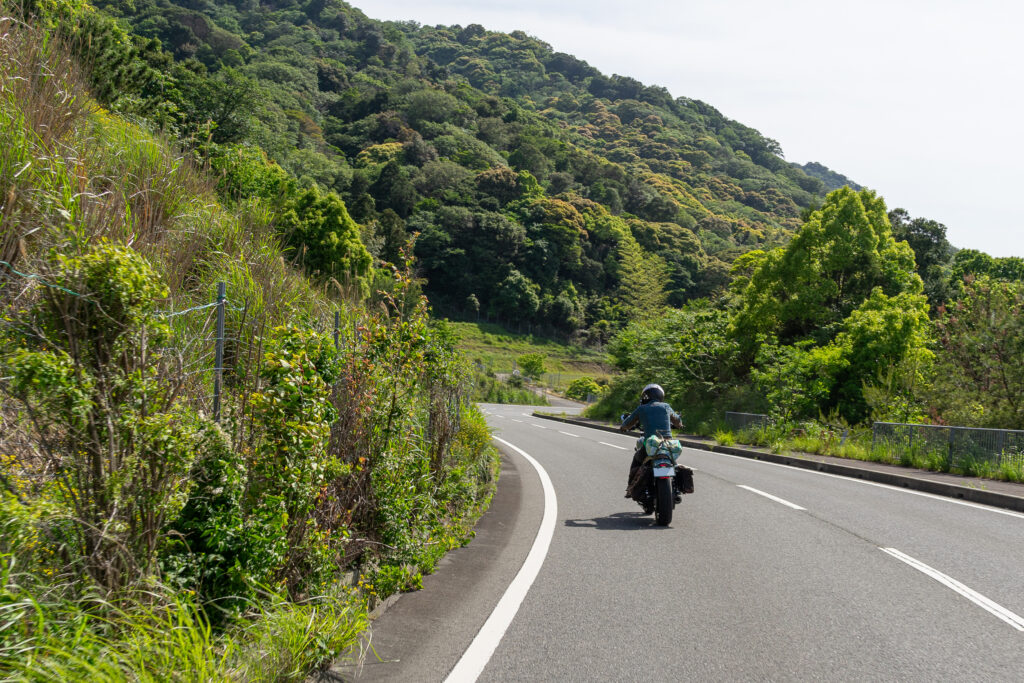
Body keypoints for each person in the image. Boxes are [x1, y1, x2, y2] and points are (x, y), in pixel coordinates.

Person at [619, 383, 683, 501]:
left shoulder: (642, 408)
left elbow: (627, 423)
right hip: (667, 444)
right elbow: (677, 420)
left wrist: (623, 428)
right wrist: (679, 424)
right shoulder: (666, 406)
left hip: (650, 444)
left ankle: (630, 488)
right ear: (660, 395)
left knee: (637, 460)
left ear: (646, 396)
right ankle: (678, 487)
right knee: (675, 464)